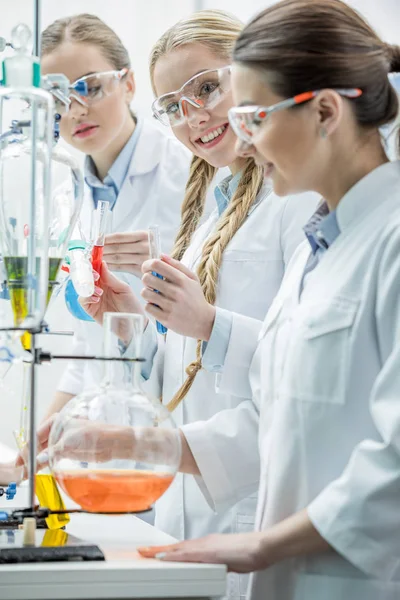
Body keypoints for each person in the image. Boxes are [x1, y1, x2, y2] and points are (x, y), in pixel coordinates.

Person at [48, 9, 318, 600]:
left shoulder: (297, 201)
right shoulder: (212, 210)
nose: (192, 116)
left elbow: (306, 373)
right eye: (173, 104)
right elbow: (184, 361)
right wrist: (132, 323)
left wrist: (208, 323)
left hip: (253, 500)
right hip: (187, 501)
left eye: (207, 88)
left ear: (250, 80)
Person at [134, 1, 400, 599]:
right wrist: (151, 442)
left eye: (253, 113)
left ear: (326, 111)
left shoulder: (387, 241)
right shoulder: (319, 247)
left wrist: (265, 544)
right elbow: (281, 405)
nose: (243, 137)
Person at [39, 13, 194, 415]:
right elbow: (88, 345)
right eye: (57, 96)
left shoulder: (188, 172)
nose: (74, 110)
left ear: (128, 84)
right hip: (105, 426)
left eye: (90, 87)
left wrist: (172, 266)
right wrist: (38, 448)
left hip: (179, 416)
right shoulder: (67, 196)